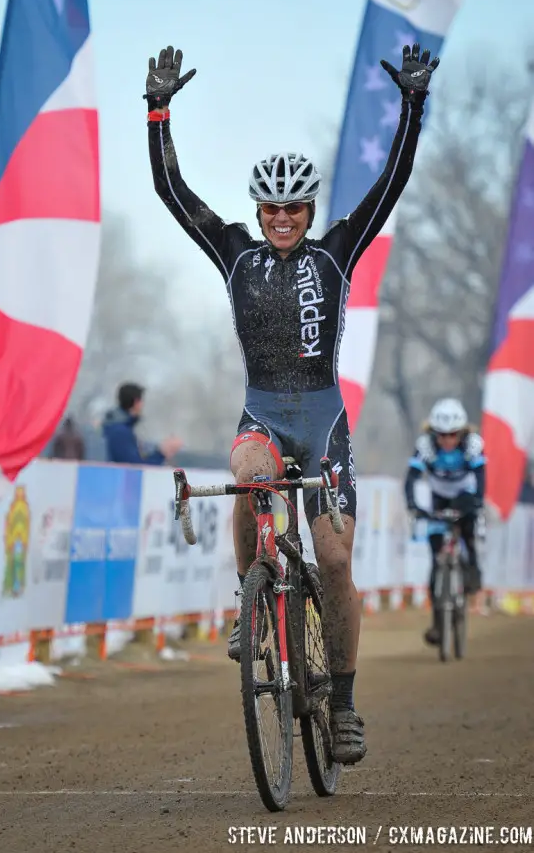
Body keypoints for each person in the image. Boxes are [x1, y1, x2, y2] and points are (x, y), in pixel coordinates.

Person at [144, 43, 439, 765]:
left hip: (324, 420)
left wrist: (413, 105)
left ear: (309, 210)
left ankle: (341, 705)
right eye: (271, 208)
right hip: (264, 414)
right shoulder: (235, 252)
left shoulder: (338, 249)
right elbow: (172, 193)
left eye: (293, 208)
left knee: (334, 560)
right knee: (248, 473)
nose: (281, 218)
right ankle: (252, 602)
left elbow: (392, 181)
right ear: (260, 210)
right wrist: (157, 112)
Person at [404, 398, 486, 646]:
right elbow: (411, 479)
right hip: (439, 498)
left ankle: (473, 577)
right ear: (433, 432)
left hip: (464, 495)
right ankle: (438, 625)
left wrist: (477, 501)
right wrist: (413, 506)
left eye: (453, 435)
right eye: (442, 435)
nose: (448, 440)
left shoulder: (473, 444)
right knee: (436, 556)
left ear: (461, 432)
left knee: (469, 536)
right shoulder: (425, 445)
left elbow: (481, 476)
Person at [102, 382, 182, 466]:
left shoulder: (115, 427)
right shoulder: (120, 431)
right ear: (137, 403)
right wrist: (162, 453)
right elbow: (134, 467)